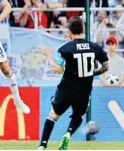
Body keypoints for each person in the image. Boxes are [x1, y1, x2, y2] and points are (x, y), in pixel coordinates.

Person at [39, 17, 109, 150]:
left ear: (69, 32)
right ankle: (68, 133)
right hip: (84, 91)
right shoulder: (95, 47)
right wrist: (92, 73)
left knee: (53, 115)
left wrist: (48, 55)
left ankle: (42, 145)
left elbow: (57, 69)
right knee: (79, 115)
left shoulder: (65, 48)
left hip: (66, 88)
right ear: (83, 30)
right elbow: (106, 67)